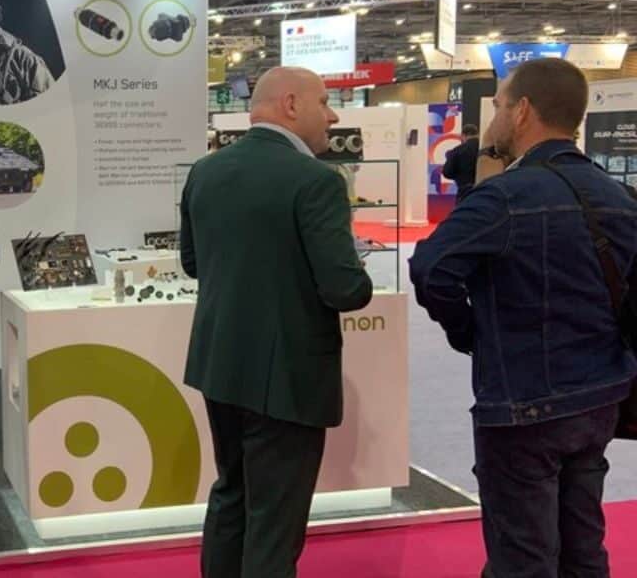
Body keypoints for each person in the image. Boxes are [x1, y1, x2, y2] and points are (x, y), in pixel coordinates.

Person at [410, 58, 637, 578]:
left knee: (522, 558)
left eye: (499, 105)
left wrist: (467, 332)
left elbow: (430, 268)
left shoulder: (505, 197)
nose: (493, 116)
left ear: (522, 111)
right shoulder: (620, 196)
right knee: (584, 549)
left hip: (523, 405)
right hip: (601, 396)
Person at [180, 66, 373, 578]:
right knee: (275, 520)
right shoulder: (316, 180)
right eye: (325, 102)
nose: (333, 116)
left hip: (219, 365)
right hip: (289, 373)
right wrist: (356, 269)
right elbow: (345, 290)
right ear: (291, 104)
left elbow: (193, 263)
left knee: (232, 494)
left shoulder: (205, 171)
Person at [442, 123, 480, 201]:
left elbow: (447, 172)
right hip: (483, 190)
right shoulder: (484, 148)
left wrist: (458, 175)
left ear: (463, 135)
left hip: (464, 191)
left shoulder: (458, 150)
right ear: (477, 134)